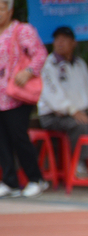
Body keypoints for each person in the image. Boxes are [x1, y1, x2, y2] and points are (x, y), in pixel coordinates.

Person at [38, 26, 88, 176]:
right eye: (57, 39)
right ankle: (79, 165)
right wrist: (72, 111)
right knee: (80, 126)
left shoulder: (80, 64)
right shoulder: (47, 66)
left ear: (74, 43)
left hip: (82, 114)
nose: (60, 43)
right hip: (53, 116)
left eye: (64, 40)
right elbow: (53, 96)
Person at [0, 0, 49, 198]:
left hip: (16, 95)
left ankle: (36, 179)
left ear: (10, 10)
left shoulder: (22, 30)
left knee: (18, 136)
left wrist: (28, 72)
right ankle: (10, 181)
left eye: (1, 7)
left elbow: (40, 54)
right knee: (1, 140)